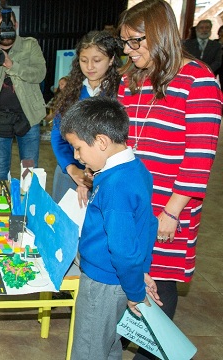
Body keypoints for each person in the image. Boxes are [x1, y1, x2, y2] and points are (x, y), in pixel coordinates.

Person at [117, 2, 222, 358]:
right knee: (129, 274)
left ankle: (150, 354)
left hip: (168, 206)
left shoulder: (199, 80)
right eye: (125, 43)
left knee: (159, 281)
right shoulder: (130, 79)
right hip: (128, 200)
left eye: (136, 42)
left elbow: (199, 156)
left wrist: (174, 211)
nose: (129, 52)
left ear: (161, 34)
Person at [59, 96, 159, 360]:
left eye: (78, 148)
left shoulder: (115, 186)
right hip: (119, 279)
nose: (77, 157)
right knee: (108, 344)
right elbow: (148, 225)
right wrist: (143, 271)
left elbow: (123, 249)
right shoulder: (136, 169)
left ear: (102, 141)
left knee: (90, 349)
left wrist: (136, 291)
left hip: (103, 281)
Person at [0, 7, 47, 180]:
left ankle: (26, 205)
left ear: (16, 25)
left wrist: (10, 64)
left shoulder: (30, 45)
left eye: (9, 25)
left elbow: (40, 74)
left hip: (29, 116)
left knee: (29, 170)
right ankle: (2, 205)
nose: (5, 31)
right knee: (0, 170)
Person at [50, 31, 121, 204]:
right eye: (84, 60)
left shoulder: (119, 94)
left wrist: (92, 173)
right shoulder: (71, 93)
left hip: (106, 176)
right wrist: (72, 168)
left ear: (111, 60)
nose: (89, 66)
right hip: (69, 172)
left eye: (97, 60)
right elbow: (57, 136)